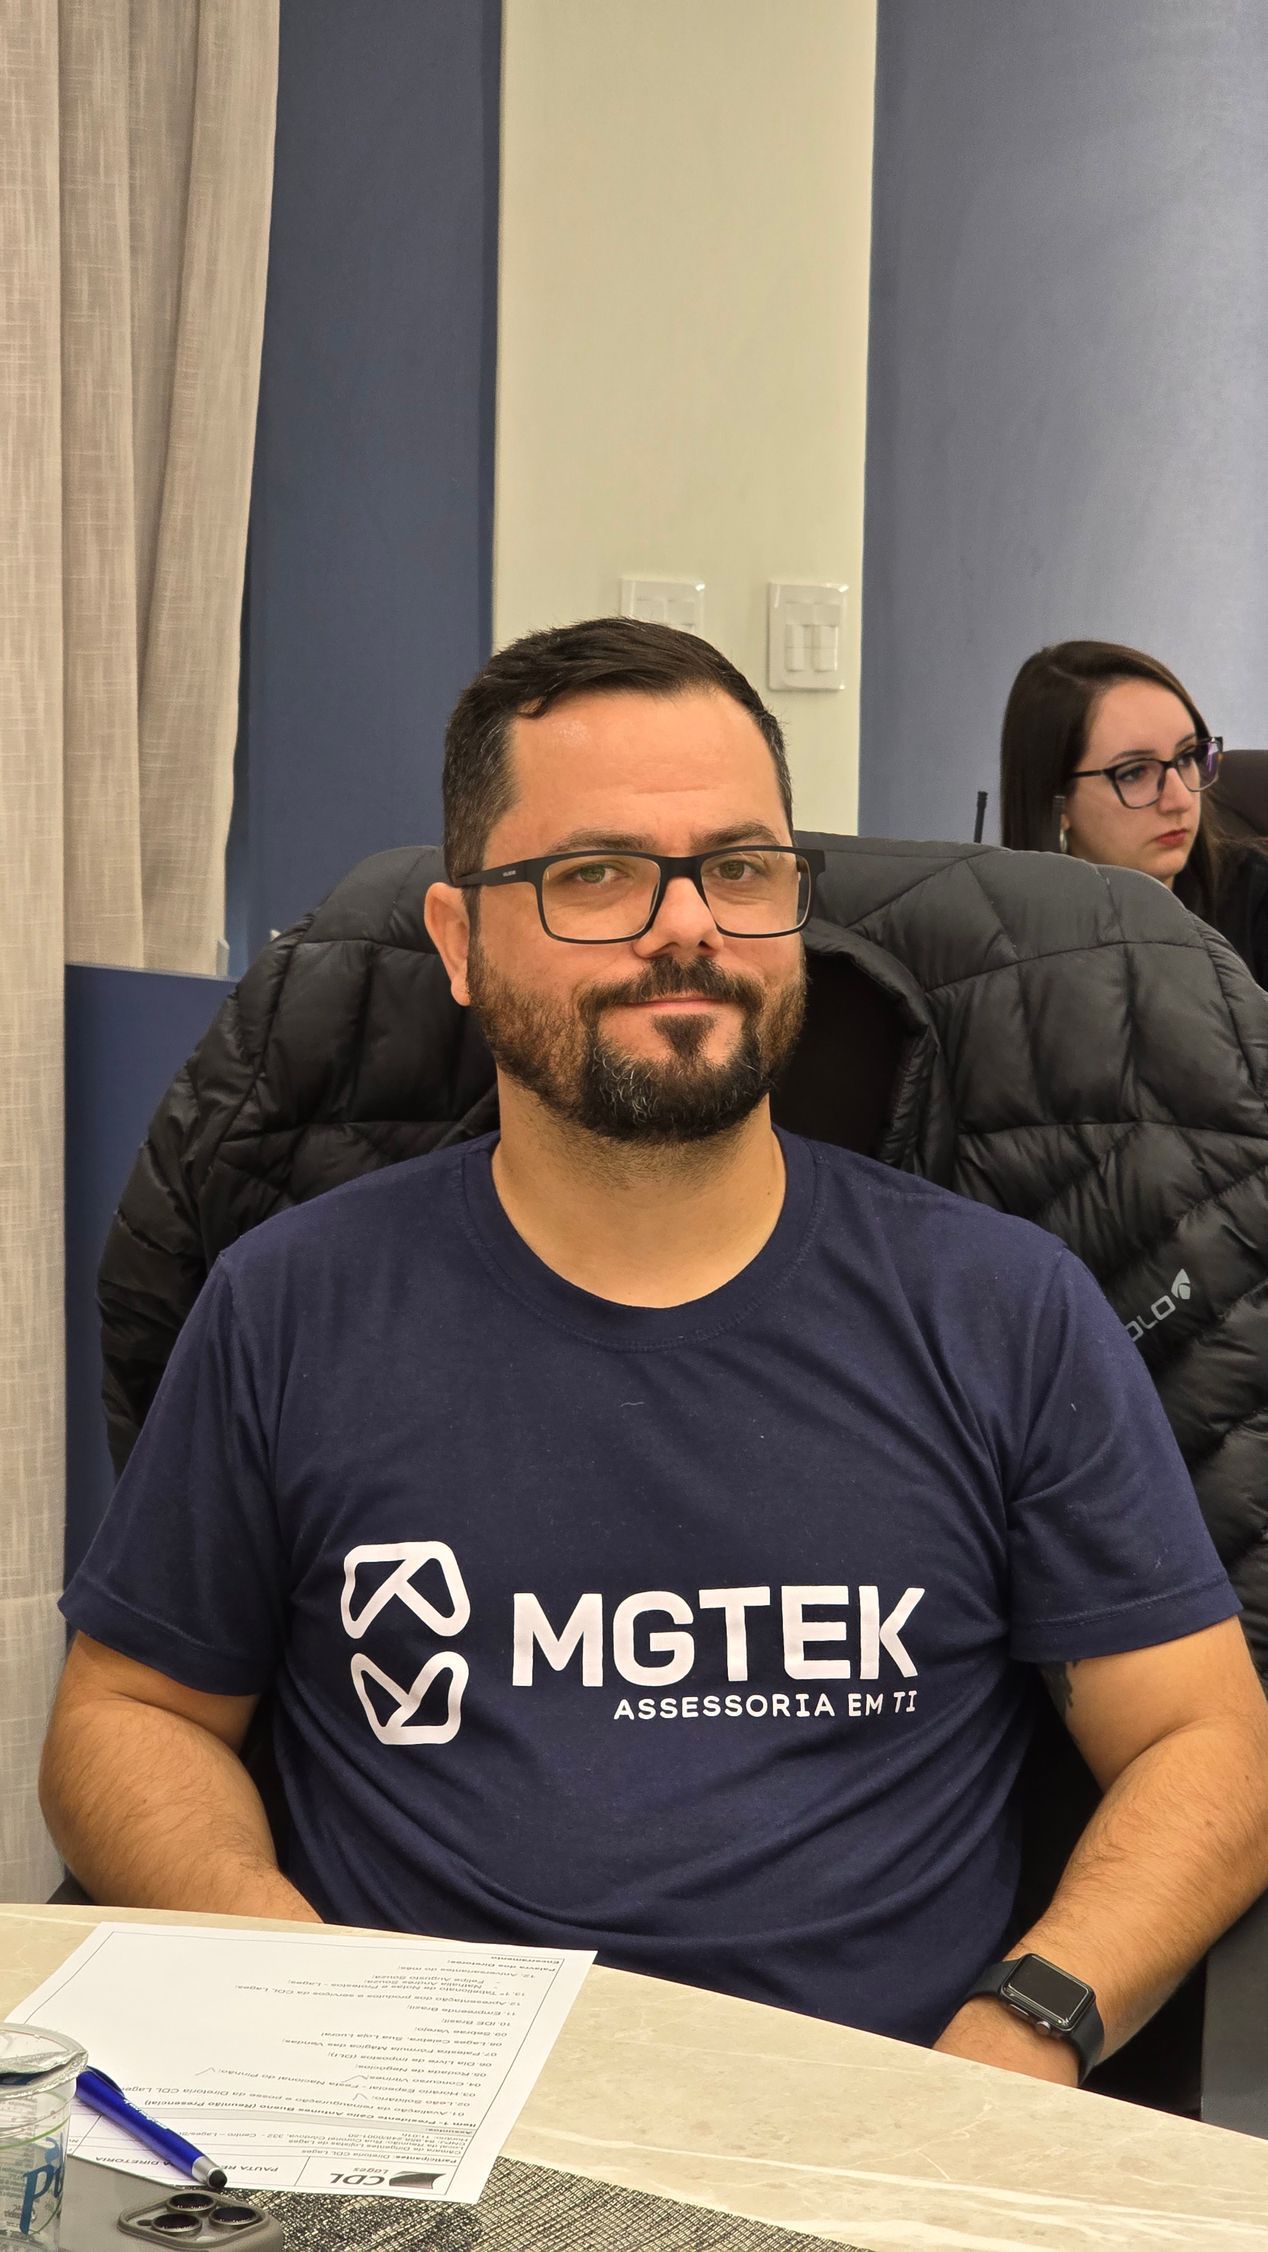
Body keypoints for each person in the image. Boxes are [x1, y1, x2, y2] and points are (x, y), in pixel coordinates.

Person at [43, 619, 1268, 2093]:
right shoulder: (291, 1305)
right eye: (596, 875)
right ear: (458, 942)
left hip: (873, 2128)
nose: (685, 927)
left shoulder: (1004, 1308)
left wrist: (1023, 2038)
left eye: (739, 869)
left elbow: (1208, 1741)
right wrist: (296, 1988)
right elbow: (129, 1717)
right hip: (407, 2128)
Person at [1000, 638, 1268, 983]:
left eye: (1187, 757)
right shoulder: (992, 953)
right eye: (1134, 772)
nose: (1180, 800)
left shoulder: (1256, 900)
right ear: (1056, 801)